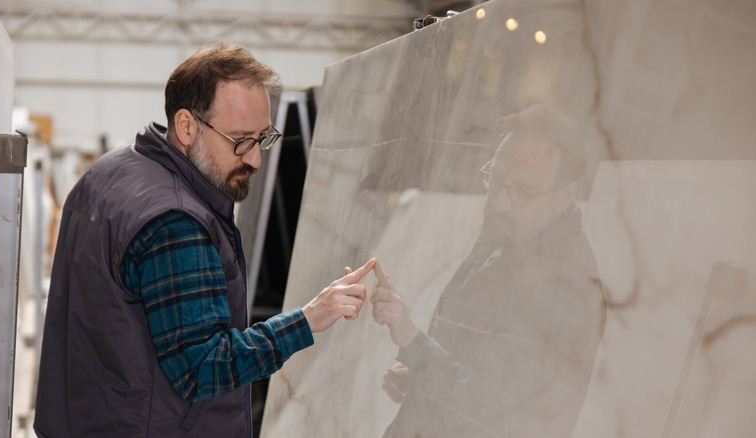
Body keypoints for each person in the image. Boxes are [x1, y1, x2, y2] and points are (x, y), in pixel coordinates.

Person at [33, 42, 375, 437]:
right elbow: (201, 367)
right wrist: (309, 319)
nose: (255, 159)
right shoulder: (175, 222)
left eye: (263, 138)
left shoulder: (111, 170)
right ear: (186, 126)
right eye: (241, 140)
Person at [371, 104, 606, 437]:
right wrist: (421, 378)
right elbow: (474, 358)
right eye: (495, 180)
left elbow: (495, 406)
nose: (498, 202)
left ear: (564, 196)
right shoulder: (514, 231)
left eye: (522, 192)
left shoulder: (567, 284)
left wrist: (412, 341)